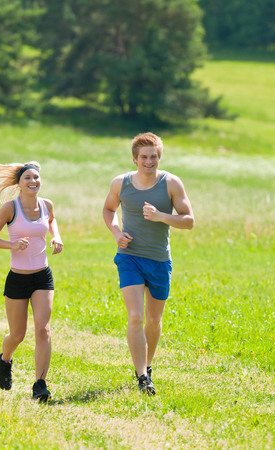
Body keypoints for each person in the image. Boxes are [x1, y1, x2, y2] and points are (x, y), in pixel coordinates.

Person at [102, 132, 195, 395]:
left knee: (153, 320)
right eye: (144, 157)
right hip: (130, 257)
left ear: (159, 157)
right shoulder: (121, 184)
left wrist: (160, 216)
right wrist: (117, 234)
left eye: (154, 156)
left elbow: (189, 221)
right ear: (135, 159)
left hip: (159, 261)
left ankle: (148, 366)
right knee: (135, 316)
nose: (149, 161)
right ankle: (142, 376)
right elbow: (108, 210)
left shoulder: (171, 183)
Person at [0, 161, 63, 402]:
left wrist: (56, 237)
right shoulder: (10, 208)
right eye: (28, 178)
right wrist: (11, 244)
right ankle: (5, 360)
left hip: (42, 275)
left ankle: (40, 384)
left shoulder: (46, 205)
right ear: (19, 183)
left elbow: (51, 221)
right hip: (17, 278)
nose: (33, 181)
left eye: (36, 178)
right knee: (17, 335)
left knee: (43, 329)